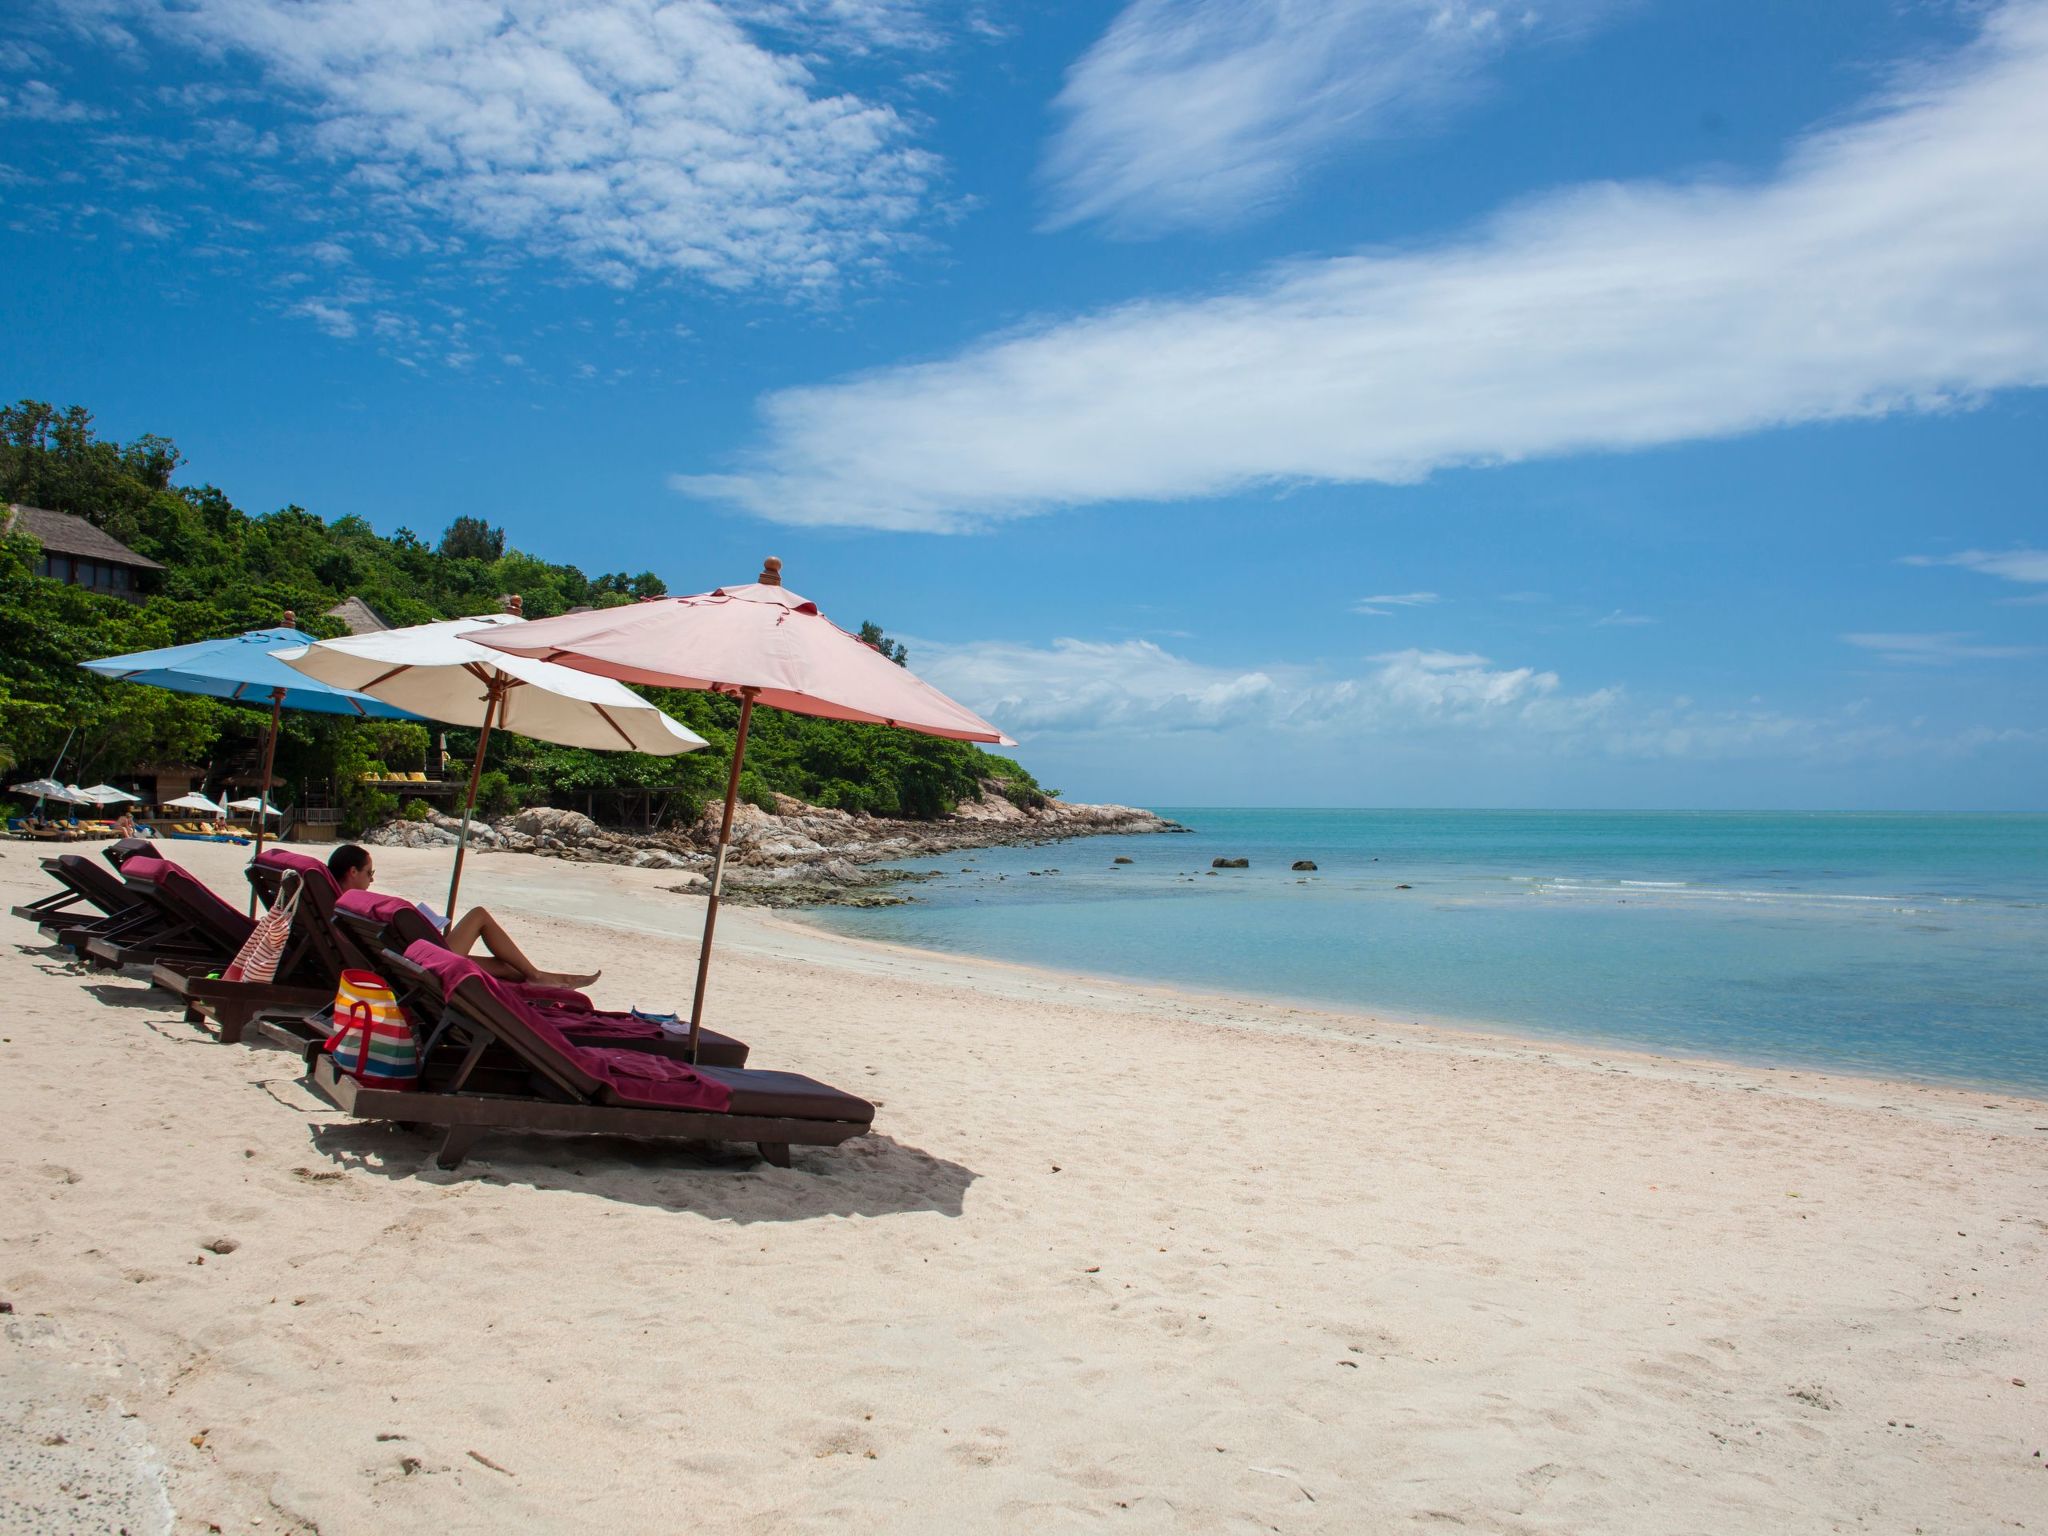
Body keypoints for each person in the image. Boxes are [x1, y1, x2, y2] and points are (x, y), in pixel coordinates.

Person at [326, 843, 599, 989]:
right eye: (369, 873)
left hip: (403, 961)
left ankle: (549, 978)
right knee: (479, 915)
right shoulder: (357, 902)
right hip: (417, 966)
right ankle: (542, 977)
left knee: (507, 968)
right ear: (352, 872)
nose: (372, 880)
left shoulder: (342, 904)